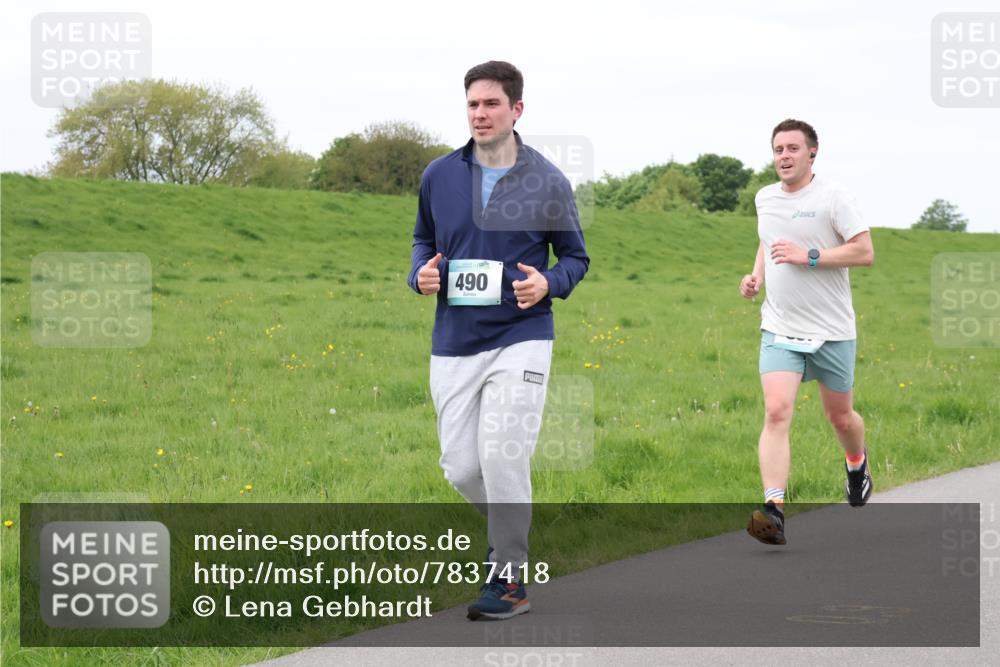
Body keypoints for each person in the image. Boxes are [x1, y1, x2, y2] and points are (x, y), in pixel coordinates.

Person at [407, 61, 589, 618]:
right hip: (455, 339)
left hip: (522, 336)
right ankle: (509, 531)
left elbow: (576, 258)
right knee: (460, 467)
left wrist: (549, 284)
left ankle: (508, 576)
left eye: (491, 104)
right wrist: (420, 275)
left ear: (517, 109)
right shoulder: (439, 175)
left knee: (503, 454)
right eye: (472, 105)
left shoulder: (549, 180)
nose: (480, 114)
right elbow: (421, 241)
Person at [740, 118, 875, 545]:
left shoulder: (834, 196)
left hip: (832, 328)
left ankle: (857, 463)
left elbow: (864, 251)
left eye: (793, 148)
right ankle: (774, 509)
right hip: (779, 325)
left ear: (812, 153)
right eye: (778, 149)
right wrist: (756, 274)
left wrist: (809, 255)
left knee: (841, 416)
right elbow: (768, 238)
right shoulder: (765, 198)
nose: (784, 156)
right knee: (777, 411)